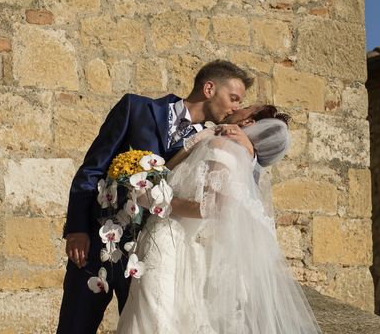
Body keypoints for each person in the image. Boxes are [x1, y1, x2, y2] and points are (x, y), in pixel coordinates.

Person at [57, 60, 254, 334]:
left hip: (151, 257)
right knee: (74, 327)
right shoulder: (135, 108)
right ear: (209, 88)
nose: (236, 107)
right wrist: (77, 229)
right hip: (97, 244)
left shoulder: (211, 141)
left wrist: (249, 151)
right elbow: (92, 169)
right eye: (233, 98)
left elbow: (238, 187)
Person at [117, 106, 321, 334]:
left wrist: (158, 203)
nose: (236, 107)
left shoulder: (223, 148)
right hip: (169, 239)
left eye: (244, 108)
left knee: (155, 316)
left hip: (171, 242)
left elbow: (214, 206)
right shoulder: (218, 142)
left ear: (248, 123)